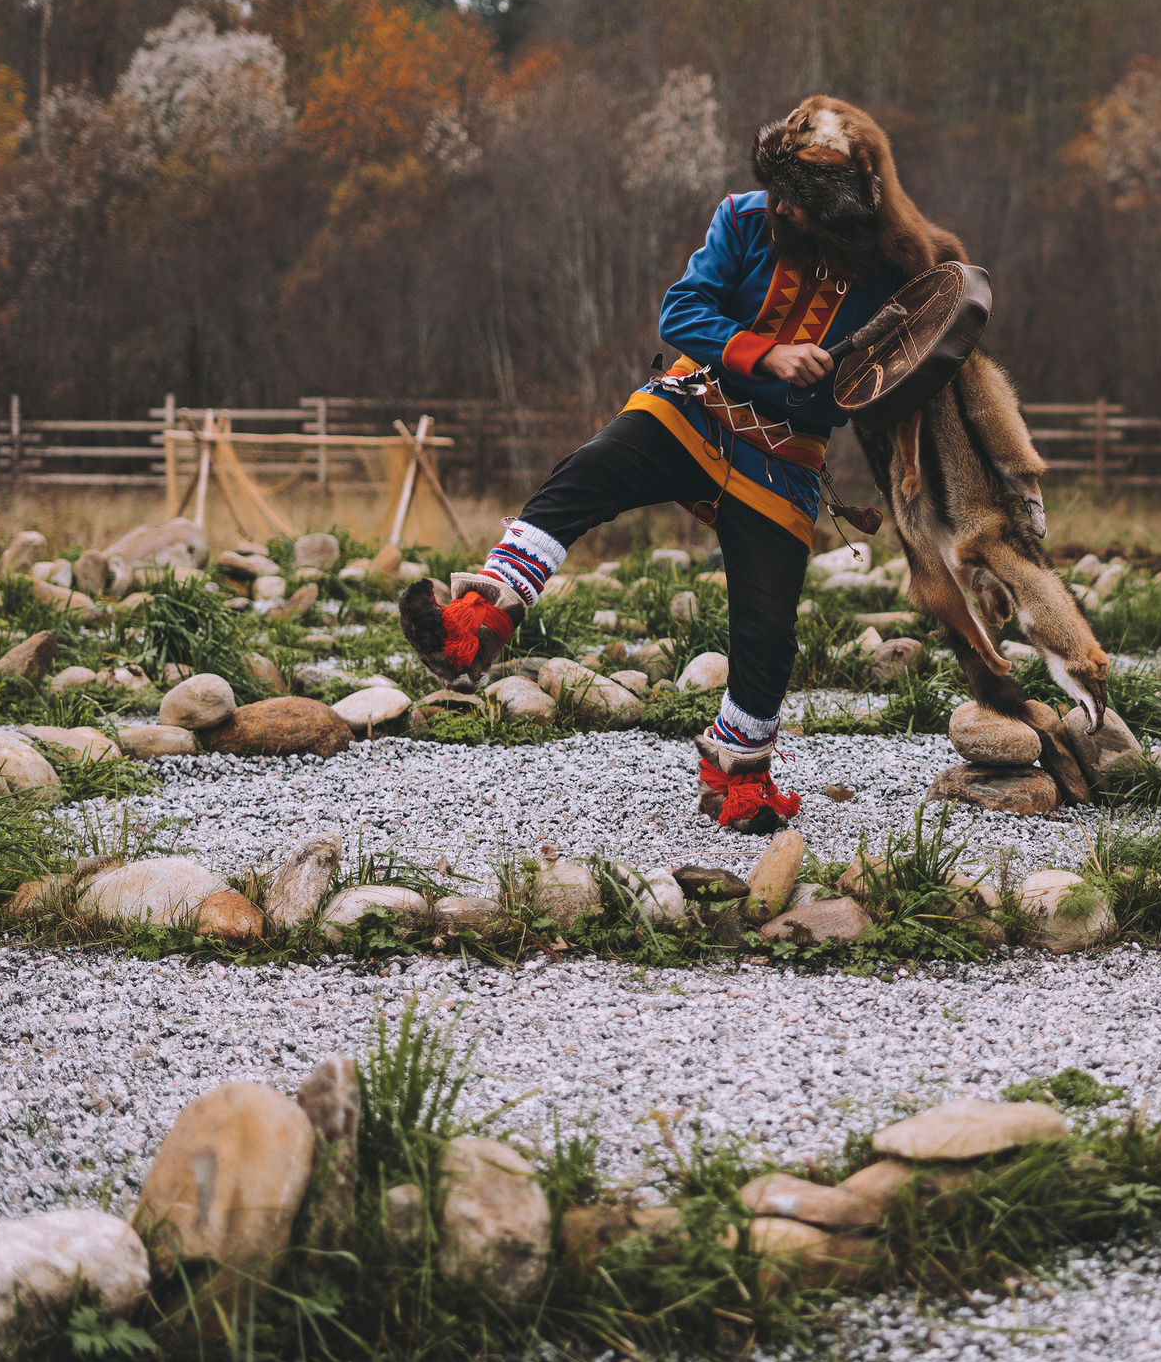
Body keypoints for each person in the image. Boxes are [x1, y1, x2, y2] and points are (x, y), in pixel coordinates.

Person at [401, 96, 963, 833]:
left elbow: (901, 377)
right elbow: (682, 311)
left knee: (768, 633)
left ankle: (738, 778)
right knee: (583, 476)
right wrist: (768, 353)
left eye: (801, 199)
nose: (782, 207)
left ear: (844, 206)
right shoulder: (742, 219)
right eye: (779, 188)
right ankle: (473, 628)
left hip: (785, 458)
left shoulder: (894, 271)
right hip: (694, 405)